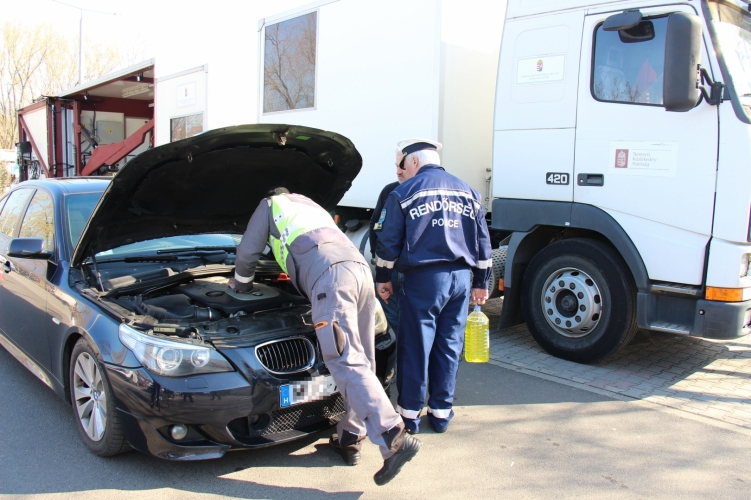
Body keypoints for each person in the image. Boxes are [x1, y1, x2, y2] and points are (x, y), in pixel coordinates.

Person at [230, 187, 420, 486]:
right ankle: (351, 437)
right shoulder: (309, 205)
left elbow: (247, 251)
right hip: (359, 271)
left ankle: (394, 437)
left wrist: (241, 286)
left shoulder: (270, 204)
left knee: (344, 359)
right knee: (362, 361)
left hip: (330, 277)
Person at [374, 139, 492, 434]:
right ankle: (441, 413)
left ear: (414, 161)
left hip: (424, 280)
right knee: (449, 345)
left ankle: (410, 415)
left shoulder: (404, 192)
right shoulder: (469, 192)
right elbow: (483, 242)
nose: (402, 171)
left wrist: (383, 278)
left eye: (403, 164)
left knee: (416, 345)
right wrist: (481, 282)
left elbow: (387, 243)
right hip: (461, 280)